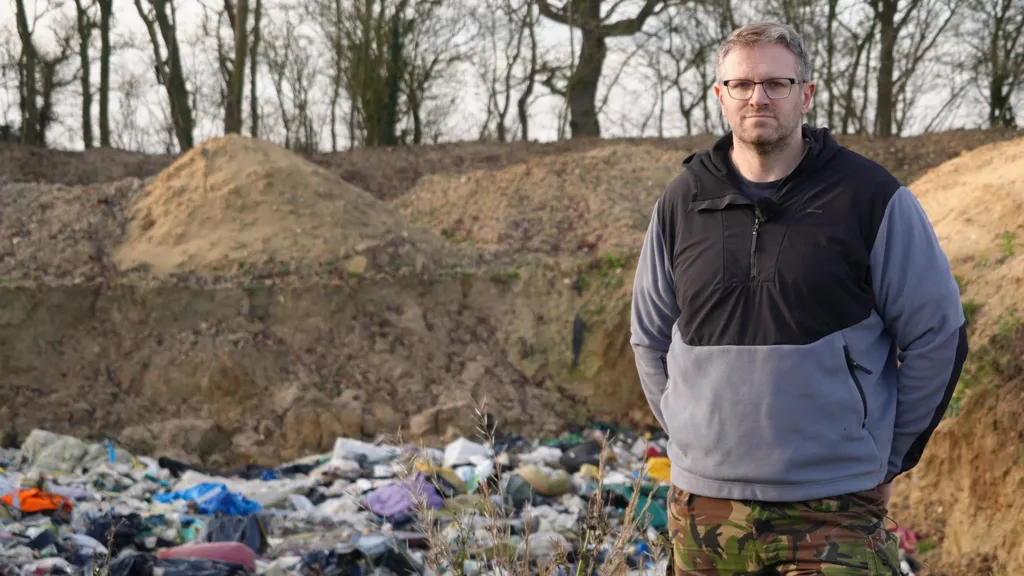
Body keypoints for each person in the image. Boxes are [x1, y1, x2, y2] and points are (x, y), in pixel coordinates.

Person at [629, 21, 969, 576]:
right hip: (705, 511)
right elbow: (649, 335)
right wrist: (690, 436)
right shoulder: (681, 200)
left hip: (834, 509)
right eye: (740, 84)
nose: (757, 96)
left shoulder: (870, 197)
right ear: (720, 95)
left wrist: (886, 458)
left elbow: (939, 334)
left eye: (776, 83)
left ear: (805, 94)